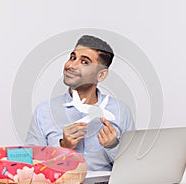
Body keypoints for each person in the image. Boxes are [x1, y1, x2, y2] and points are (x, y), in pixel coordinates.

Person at [26, 35, 135, 171]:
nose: (71, 65)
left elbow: (131, 169)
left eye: (84, 62)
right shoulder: (43, 111)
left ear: (100, 75)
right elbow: (30, 166)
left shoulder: (121, 111)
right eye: (72, 57)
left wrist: (113, 146)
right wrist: (63, 147)